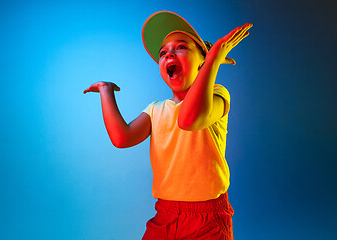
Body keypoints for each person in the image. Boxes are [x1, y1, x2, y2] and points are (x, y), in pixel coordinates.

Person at [84, 11, 252, 240]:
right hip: (165, 214)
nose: (169, 54)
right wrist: (106, 91)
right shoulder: (155, 110)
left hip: (207, 219)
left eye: (181, 47)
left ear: (204, 59)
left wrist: (213, 59)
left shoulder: (217, 95)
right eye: (163, 53)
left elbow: (189, 119)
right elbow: (122, 138)